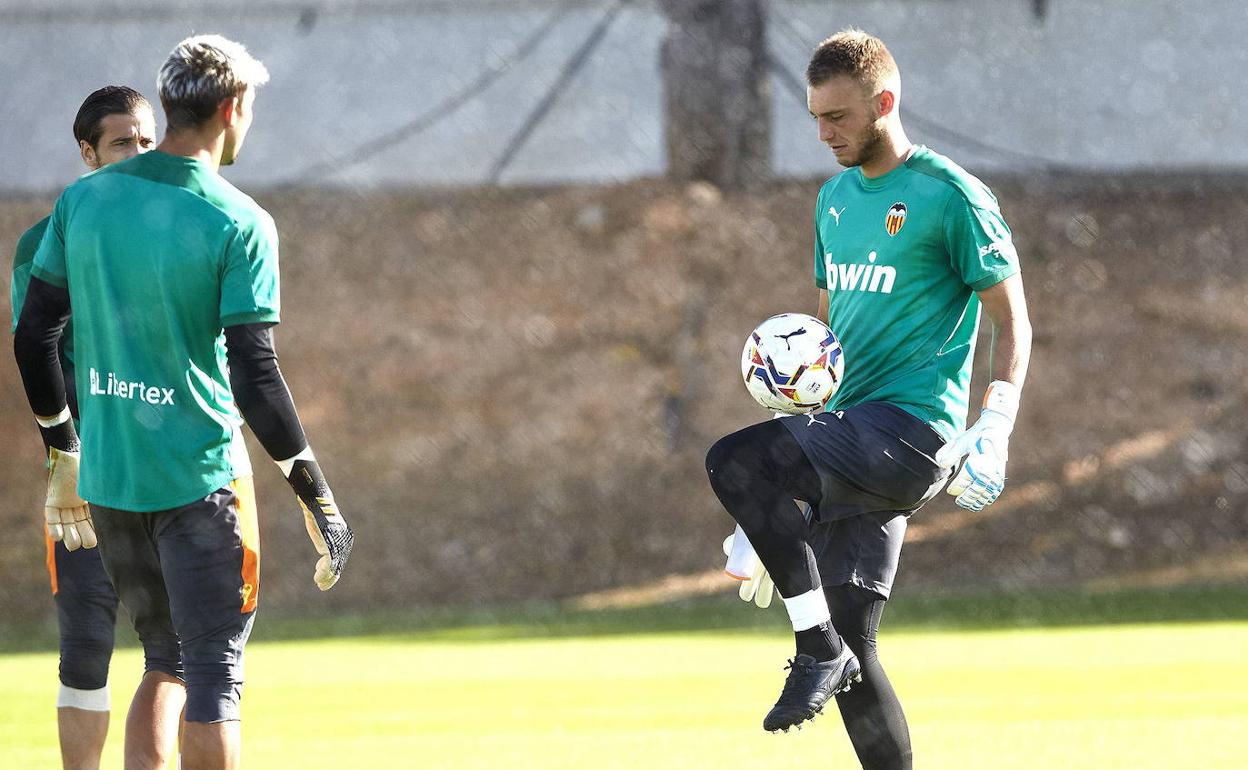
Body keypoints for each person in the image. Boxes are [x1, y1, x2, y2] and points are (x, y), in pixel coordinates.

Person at [14, 35, 355, 770]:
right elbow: (254, 376)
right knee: (212, 673)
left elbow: (33, 335)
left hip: (110, 486)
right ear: (232, 109)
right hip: (199, 482)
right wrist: (315, 493)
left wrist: (64, 455)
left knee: (161, 659)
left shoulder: (83, 202)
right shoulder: (238, 220)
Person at [704, 29, 1032, 769]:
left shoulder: (949, 195)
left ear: (884, 102)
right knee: (857, 641)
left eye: (839, 118)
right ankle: (830, 649)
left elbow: (1013, 316)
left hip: (909, 433)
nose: (823, 133)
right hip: (849, 432)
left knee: (730, 459)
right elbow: (827, 341)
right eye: (815, 117)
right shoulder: (833, 201)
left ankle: (811, 646)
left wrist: (997, 420)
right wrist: (764, 515)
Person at [9, 84, 156, 770]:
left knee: (187, 651)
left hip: (174, 470)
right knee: (86, 644)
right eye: (122, 141)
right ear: (88, 152)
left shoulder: (179, 227)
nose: (137, 153)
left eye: (147, 139)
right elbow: (38, 344)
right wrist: (69, 454)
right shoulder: (47, 240)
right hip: (90, 470)